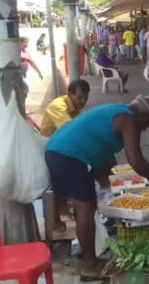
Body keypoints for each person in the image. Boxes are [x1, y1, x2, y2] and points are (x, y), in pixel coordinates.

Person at [45, 95, 149, 281]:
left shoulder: (116, 110)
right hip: (70, 156)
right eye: (148, 123)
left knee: (82, 205)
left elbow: (100, 141)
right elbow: (136, 161)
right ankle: (89, 267)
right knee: (86, 208)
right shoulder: (129, 119)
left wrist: (102, 170)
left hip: (55, 148)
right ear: (142, 114)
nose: (145, 128)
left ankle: (74, 241)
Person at [40, 79, 90, 233]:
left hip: (61, 148)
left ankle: (64, 210)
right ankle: (55, 220)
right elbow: (71, 130)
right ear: (70, 94)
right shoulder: (59, 106)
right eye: (79, 97)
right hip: (47, 148)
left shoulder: (74, 108)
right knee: (56, 184)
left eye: (85, 97)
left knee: (65, 180)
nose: (82, 101)